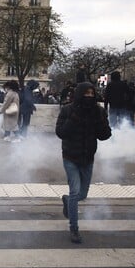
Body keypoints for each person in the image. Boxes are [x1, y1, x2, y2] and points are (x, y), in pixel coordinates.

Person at [56, 82, 112, 243]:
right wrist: (74, 118)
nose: (89, 96)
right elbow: (60, 132)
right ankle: (74, 228)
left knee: (82, 194)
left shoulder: (98, 111)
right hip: (70, 157)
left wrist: (100, 120)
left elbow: (105, 135)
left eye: (91, 93)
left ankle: (67, 200)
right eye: (86, 93)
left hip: (87, 158)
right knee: (75, 192)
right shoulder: (67, 110)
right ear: (80, 94)